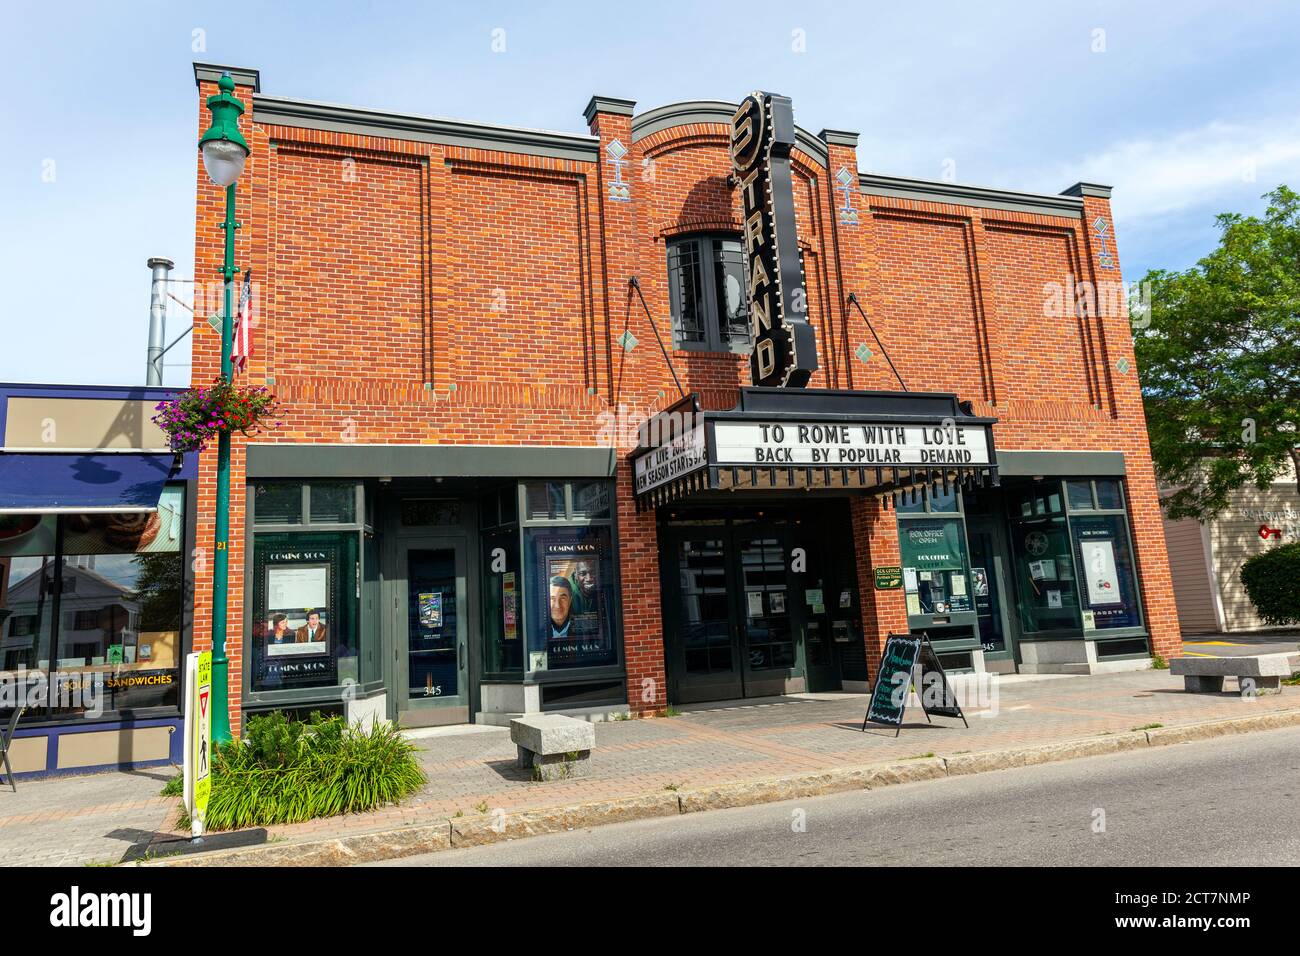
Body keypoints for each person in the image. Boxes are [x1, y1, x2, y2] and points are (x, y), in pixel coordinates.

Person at [548, 576, 573, 640]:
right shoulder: (536, 630)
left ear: (570, 601)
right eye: (552, 598)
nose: (557, 605)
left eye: (562, 598)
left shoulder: (582, 630)